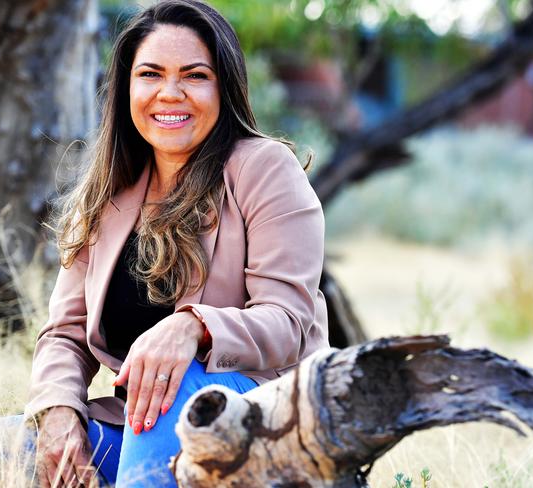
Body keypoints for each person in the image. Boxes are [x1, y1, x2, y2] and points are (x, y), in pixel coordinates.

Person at [21, 0, 330, 486]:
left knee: (181, 387)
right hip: (146, 426)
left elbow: (289, 321)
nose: (170, 93)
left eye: (194, 75)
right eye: (150, 74)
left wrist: (192, 328)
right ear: (127, 87)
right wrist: (59, 409)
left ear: (223, 88)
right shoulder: (110, 189)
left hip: (260, 423)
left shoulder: (264, 169)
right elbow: (66, 333)